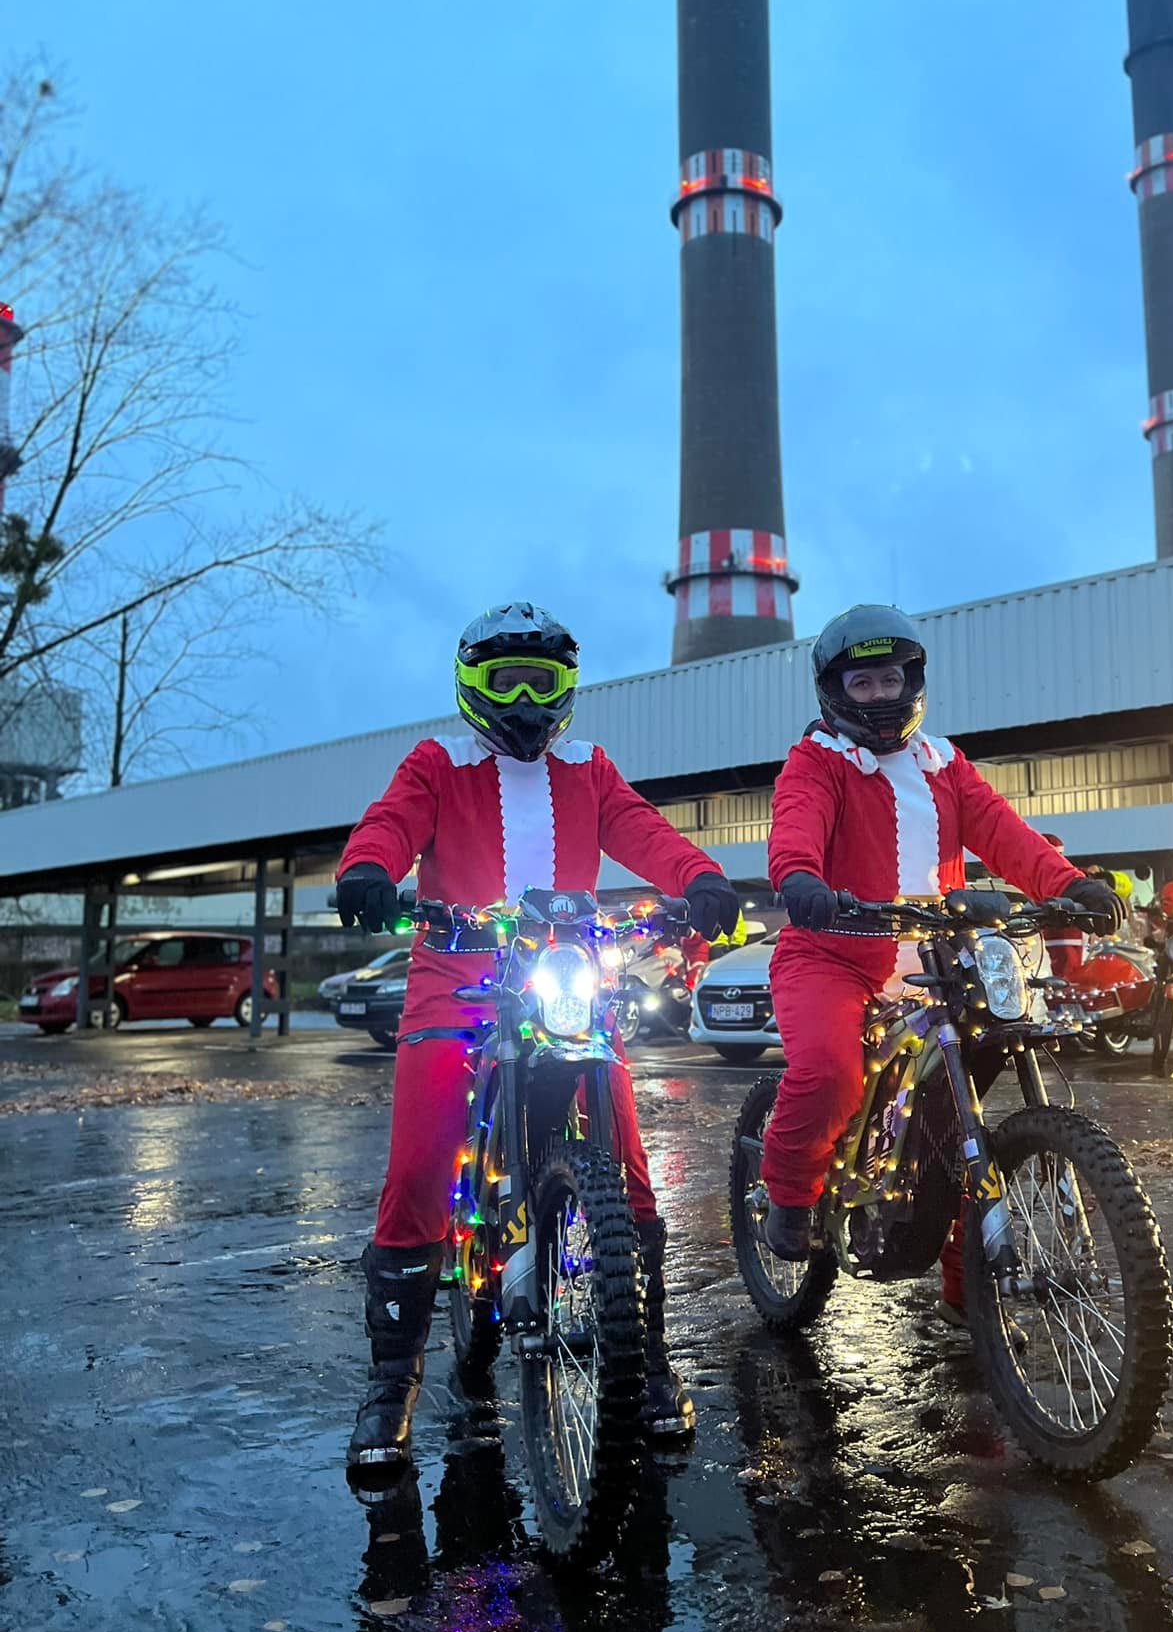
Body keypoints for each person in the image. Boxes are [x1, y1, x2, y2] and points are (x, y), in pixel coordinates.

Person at [335, 603, 741, 1477]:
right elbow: (390, 821)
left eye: (542, 682)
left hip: (565, 977)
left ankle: (649, 1359)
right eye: (506, 682)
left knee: (627, 1163)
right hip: (457, 976)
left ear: (568, 688)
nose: (524, 701)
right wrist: (368, 868)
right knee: (420, 1162)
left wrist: (701, 876)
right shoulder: (439, 763)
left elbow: (644, 830)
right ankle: (392, 1381)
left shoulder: (589, 769)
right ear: (471, 686)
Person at [760, 603, 1123, 1264]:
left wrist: (1070, 886)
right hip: (832, 956)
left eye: (890, 680)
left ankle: (968, 1290)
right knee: (830, 1073)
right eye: (862, 683)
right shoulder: (818, 761)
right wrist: (800, 878)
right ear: (835, 690)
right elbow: (796, 823)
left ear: (913, 681)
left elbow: (1005, 833)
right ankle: (788, 1194)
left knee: (957, 1123)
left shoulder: (944, 764)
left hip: (940, 963)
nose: (879, 695)